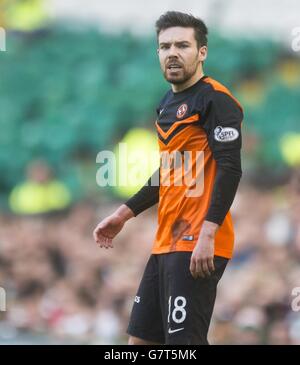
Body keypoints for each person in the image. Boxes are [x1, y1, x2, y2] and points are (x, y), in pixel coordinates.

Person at [93, 11, 243, 345]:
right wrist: (124, 213)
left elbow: (231, 168)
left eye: (182, 45)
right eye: (164, 46)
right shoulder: (166, 104)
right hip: (166, 241)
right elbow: (171, 171)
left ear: (201, 52)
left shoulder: (216, 99)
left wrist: (208, 233)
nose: (172, 52)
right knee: (139, 344)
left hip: (197, 242)